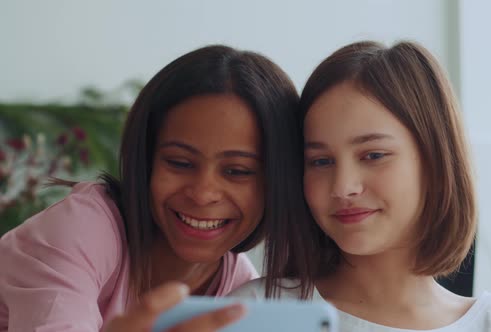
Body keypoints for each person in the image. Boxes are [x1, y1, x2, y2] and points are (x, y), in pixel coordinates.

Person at [231, 41, 491, 332]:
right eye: (321, 161)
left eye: (374, 155)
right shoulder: (257, 312)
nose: (343, 187)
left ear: (435, 161)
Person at [0, 44, 307, 331]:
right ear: (144, 160)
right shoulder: (78, 230)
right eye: (180, 162)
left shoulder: (241, 289)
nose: (202, 193)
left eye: (237, 171)